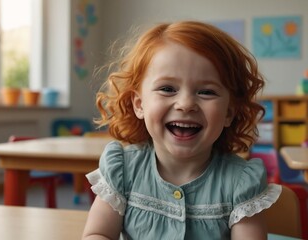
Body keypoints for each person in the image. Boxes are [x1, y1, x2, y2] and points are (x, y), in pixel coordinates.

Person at [82, 21, 281, 240]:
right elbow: (98, 233)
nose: (186, 104)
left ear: (228, 113)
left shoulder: (240, 183)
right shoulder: (123, 170)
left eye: (206, 92)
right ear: (139, 105)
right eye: (167, 89)